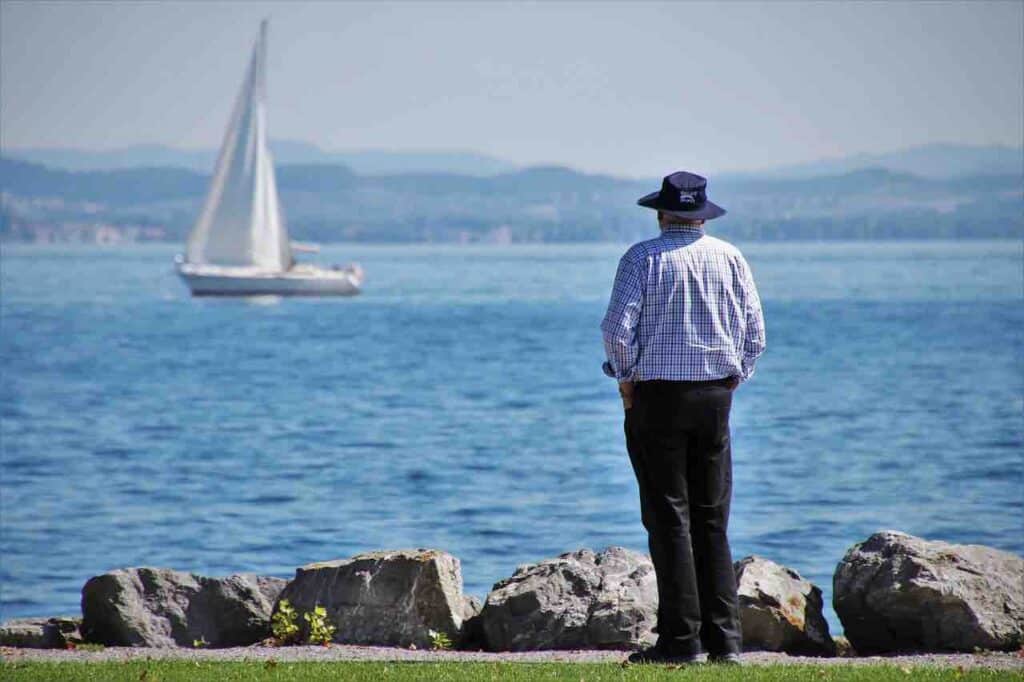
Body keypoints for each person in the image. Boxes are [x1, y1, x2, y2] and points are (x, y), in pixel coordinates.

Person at [601, 171, 766, 665]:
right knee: (712, 519)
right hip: (716, 397)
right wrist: (733, 379)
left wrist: (626, 379)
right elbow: (755, 333)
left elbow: (615, 330)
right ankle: (726, 642)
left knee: (668, 518)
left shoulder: (640, 258)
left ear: (661, 213)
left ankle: (680, 641)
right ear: (701, 215)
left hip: (656, 398)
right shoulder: (730, 257)